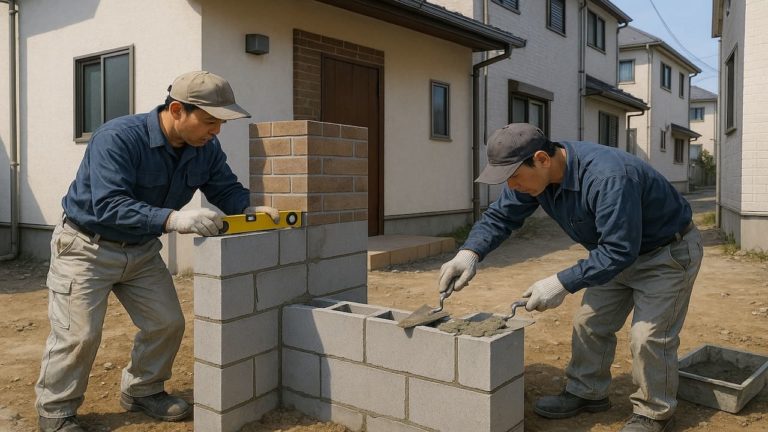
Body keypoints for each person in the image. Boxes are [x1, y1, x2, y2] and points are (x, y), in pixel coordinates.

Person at [35, 71, 279, 432]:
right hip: (86, 247)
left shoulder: (205, 150)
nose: (216, 131)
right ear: (178, 110)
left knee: (166, 323)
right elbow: (108, 204)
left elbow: (225, 189)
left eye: (221, 123)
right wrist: (174, 220)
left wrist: (248, 209)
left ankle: (142, 390)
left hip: (141, 250)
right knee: (79, 335)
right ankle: (56, 411)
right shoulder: (118, 138)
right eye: (210, 121)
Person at [439, 123, 702, 432]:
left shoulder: (608, 177)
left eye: (514, 177)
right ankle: (587, 393)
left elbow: (619, 250)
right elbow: (500, 216)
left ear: (542, 159)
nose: (512, 187)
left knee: (647, 337)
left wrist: (559, 283)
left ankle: (654, 413)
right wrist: (469, 253)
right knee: (589, 323)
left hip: (665, 255)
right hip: (614, 254)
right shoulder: (538, 179)